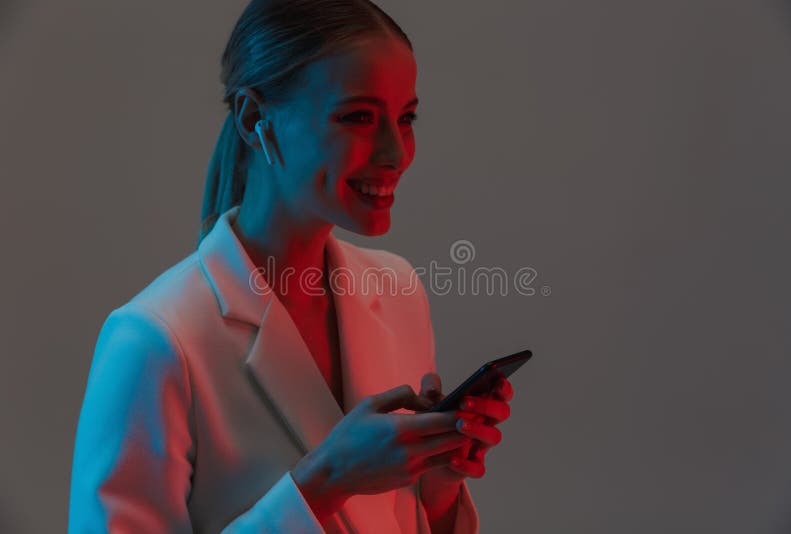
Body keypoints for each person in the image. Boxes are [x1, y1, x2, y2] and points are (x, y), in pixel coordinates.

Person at [68, 1, 514, 532]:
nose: (397, 152)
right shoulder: (155, 340)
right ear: (256, 121)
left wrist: (437, 488)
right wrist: (324, 482)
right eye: (358, 117)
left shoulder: (397, 291)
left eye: (406, 117)